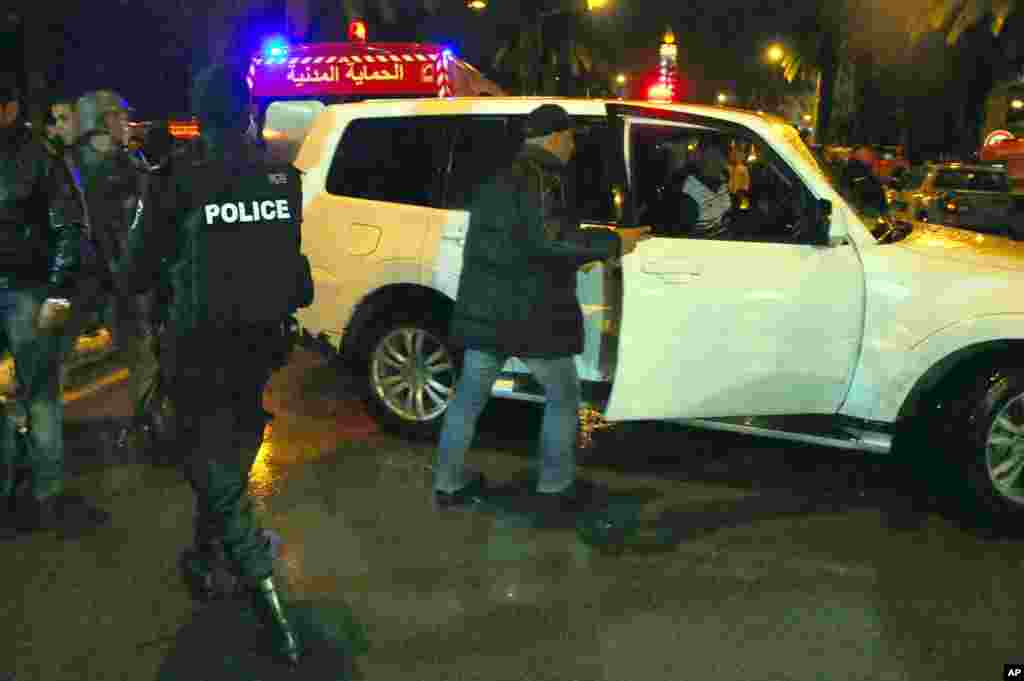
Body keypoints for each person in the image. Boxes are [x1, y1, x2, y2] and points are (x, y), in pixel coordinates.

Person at [113, 61, 312, 666]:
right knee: (227, 450)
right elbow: (293, 271)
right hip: (262, 344)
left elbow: (136, 272)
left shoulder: (177, 180)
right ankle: (207, 557)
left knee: (215, 473)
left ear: (197, 116)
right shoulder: (282, 176)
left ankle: (269, 600)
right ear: (248, 109)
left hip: (199, 348)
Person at [433, 104, 651, 514]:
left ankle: (448, 483)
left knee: (467, 398)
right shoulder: (544, 178)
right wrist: (614, 242)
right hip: (531, 313)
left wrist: (591, 238)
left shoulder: (498, 177)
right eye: (569, 138)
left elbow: (530, 234)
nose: (571, 146)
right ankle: (555, 484)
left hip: (486, 309)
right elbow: (550, 239)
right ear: (554, 137)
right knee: (564, 393)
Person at [0, 74, 110, 537]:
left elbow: (69, 228)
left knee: (40, 394)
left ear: (9, 108)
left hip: (28, 292)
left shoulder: (38, 158)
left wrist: (58, 292)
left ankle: (45, 492)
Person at [68, 90, 158, 445]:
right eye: (122, 118)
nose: (128, 125)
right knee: (141, 355)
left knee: (51, 365)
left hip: (77, 278)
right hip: (120, 277)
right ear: (105, 121)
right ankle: (149, 425)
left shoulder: (66, 163)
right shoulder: (128, 164)